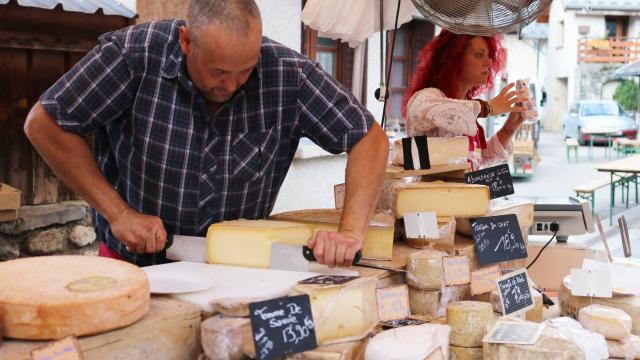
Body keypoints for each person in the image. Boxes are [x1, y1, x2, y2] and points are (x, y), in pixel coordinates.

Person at [23, 0, 388, 267]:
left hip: (239, 270)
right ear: (186, 41)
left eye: (245, 70)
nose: (231, 84)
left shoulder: (287, 73)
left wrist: (351, 233)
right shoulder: (133, 55)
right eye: (218, 72)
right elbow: (45, 123)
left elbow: (368, 138)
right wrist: (119, 214)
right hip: (131, 263)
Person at [402, 29, 532, 170]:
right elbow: (420, 111)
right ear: (453, 59)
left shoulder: (467, 109)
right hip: (427, 192)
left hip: (460, 192)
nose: (488, 62)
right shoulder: (429, 96)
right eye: (479, 55)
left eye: (488, 56)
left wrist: (509, 128)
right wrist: (488, 107)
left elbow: (476, 162)